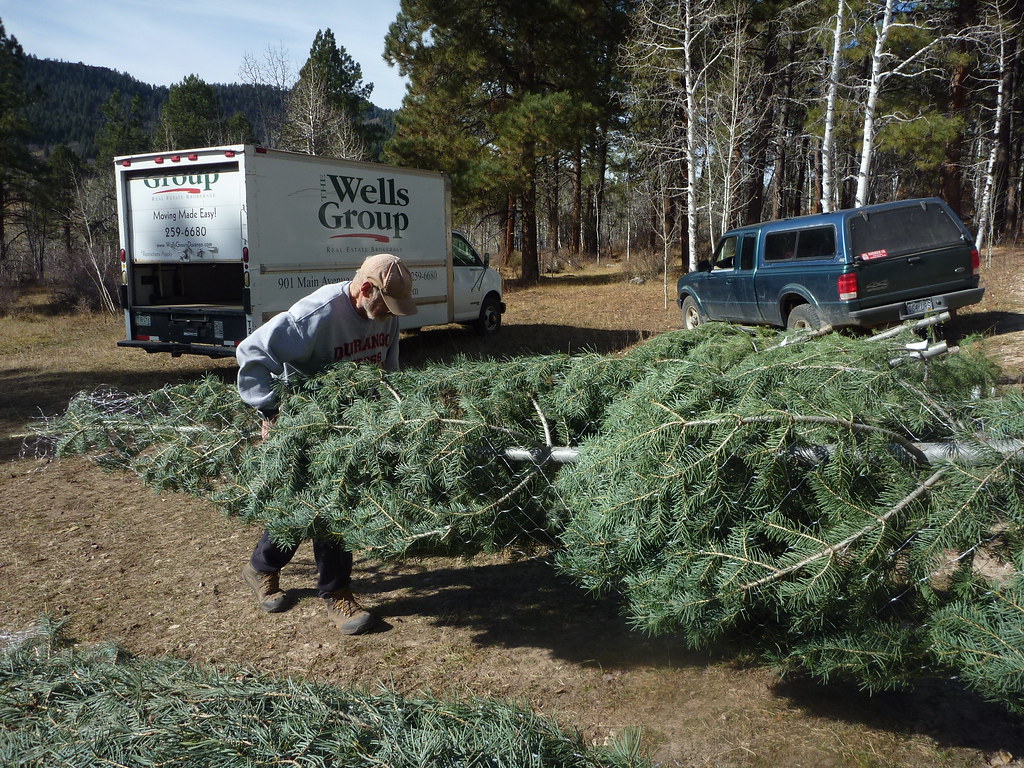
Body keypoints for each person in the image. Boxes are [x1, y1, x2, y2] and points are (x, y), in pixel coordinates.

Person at [237, 253, 417, 634]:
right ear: (365, 289)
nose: (390, 315)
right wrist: (273, 411)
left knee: (316, 504)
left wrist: (391, 414)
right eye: (386, 305)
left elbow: (389, 368)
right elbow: (251, 353)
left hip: (352, 425)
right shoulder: (315, 316)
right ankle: (336, 593)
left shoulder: (387, 314)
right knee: (327, 505)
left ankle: (262, 567)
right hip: (307, 423)